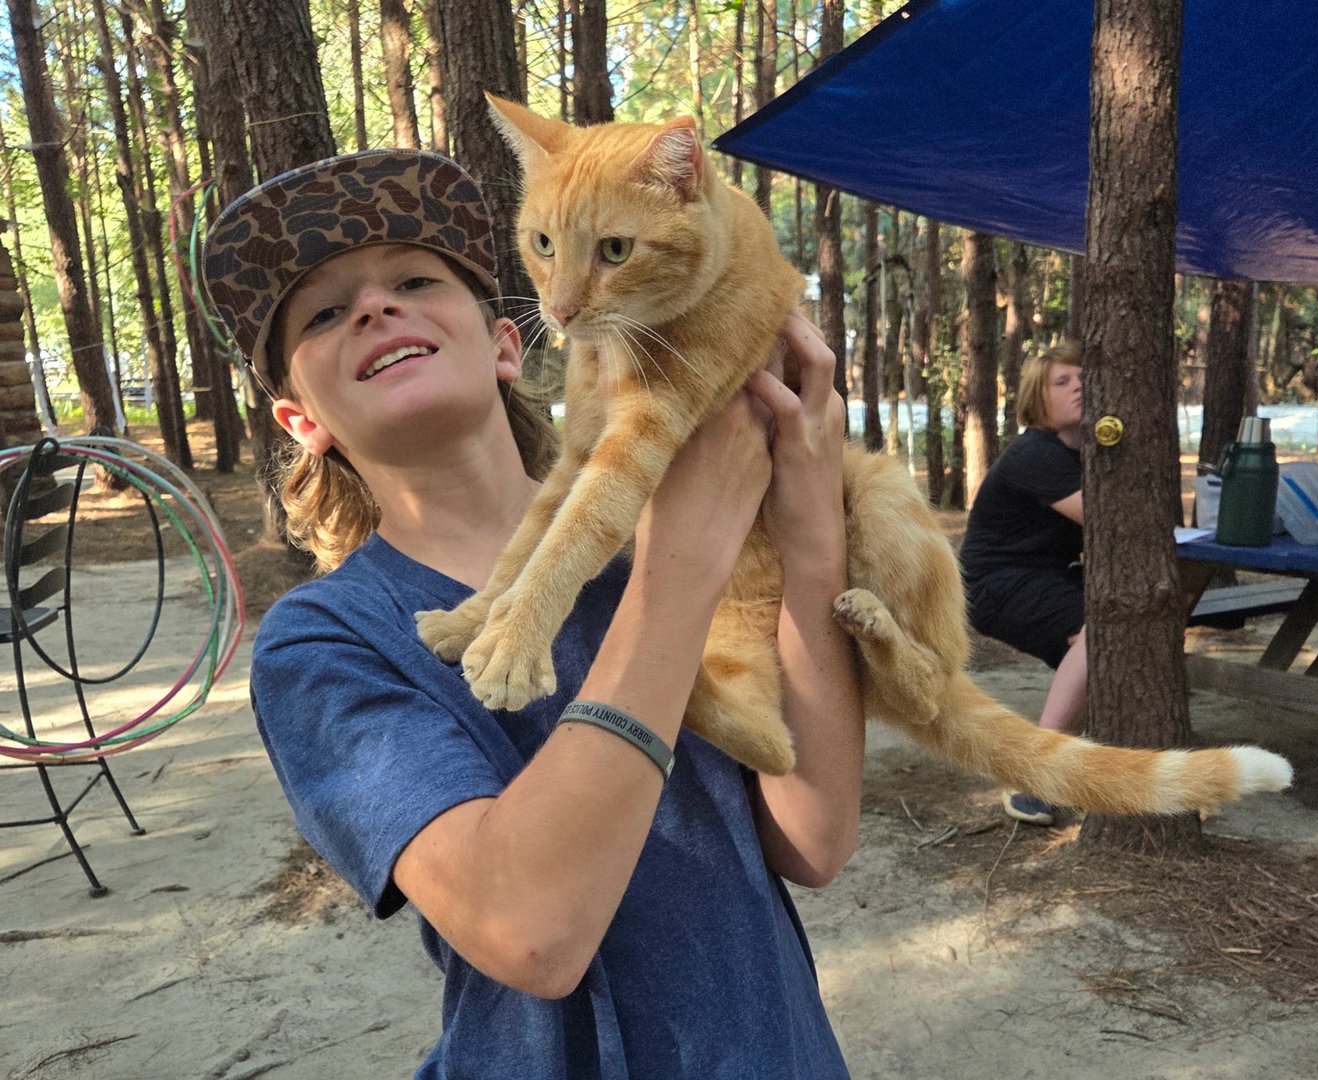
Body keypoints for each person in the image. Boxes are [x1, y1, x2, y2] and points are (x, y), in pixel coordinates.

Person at [202, 148, 864, 1079]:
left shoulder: (668, 535)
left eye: (415, 280)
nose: (375, 308)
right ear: (300, 420)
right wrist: (683, 564)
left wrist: (810, 531)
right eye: (322, 313)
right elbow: (531, 932)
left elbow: (814, 840)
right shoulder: (327, 642)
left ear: (507, 345)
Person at [958, 341, 1085, 828]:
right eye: (1063, 381)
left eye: (1084, 378)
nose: (1079, 387)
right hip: (996, 583)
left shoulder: (1075, 454)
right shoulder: (1037, 453)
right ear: (1038, 399)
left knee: (1108, 644)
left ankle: (1097, 759)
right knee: (1100, 636)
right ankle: (1036, 773)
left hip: (1042, 574)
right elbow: (1110, 519)